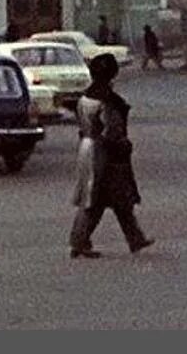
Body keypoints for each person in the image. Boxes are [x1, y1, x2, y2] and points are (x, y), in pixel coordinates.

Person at [69, 53, 152, 258]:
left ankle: (135, 238)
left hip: (87, 147)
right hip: (105, 153)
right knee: (102, 199)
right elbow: (113, 131)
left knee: (107, 198)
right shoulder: (108, 100)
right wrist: (123, 146)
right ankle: (80, 241)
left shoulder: (85, 97)